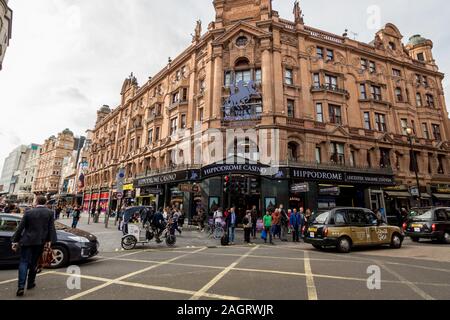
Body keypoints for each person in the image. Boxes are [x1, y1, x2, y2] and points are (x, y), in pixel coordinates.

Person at [11, 196, 57, 297]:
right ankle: (31, 283)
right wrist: (50, 241)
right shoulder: (49, 213)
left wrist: (15, 241)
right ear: (45, 203)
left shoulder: (28, 212)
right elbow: (51, 228)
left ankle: (21, 287)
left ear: (36, 202)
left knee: (23, 262)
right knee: (34, 262)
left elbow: (20, 228)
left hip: (26, 241)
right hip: (40, 242)